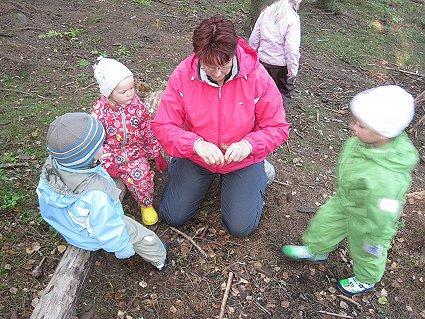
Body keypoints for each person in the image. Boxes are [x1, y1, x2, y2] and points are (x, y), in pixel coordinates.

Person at [152, 16, 290, 237]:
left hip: (242, 159)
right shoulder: (182, 76)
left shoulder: (256, 76)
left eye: (223, 66)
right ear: (198, 57)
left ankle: (261, 172)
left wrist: (249, 145)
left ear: (234, 54)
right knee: (172, 215)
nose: (217, 74)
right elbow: (163, 125)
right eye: (209, 67)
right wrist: (195, 145)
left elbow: (278, 127)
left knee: (240, 227)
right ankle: (199, 176)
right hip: (198, 157)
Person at [281, 85, 419, 296]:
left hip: (370, 218)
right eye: (354, 120)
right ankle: (317, 249)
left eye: (360, 125)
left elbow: (384, 213)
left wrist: (377, 233)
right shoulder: (363, 143)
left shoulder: (388, 177)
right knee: (324, 223)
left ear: (383, 132)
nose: (352, 127)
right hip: (346, 199)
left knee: (367, 249)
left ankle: (366, 279)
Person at [36, 113, 167, 269]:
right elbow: (109, 228)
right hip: (89, 237)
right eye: (99, 146)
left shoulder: (52, 166)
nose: (103, 147)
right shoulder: (96, 195)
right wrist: (122, 249)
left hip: (70, 230)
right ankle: (160, 258)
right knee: (142, 236)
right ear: (86, 158)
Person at [92, 57, 168, 226]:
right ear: (108, 92)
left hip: (134, 153)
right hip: (110, 152)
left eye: (131, 88)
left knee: (143, 180)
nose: (130, 93)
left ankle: (145, 204)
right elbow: (96, 140)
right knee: (100, 179)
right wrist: (106, 159)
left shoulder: (138, 107)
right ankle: (105, 214)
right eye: (123, 92)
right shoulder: (100, 111)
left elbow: (148, 130)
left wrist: (156, 153)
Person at [249, 0, 302, 108]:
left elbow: (254, 40)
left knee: (259, 95)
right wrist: (292, 71)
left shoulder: (266, 12)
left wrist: (251, 59)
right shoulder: (292, 18)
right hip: (279, 69)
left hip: (262, 63)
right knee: (280, 99)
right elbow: (291, 49)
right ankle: (277, 123)